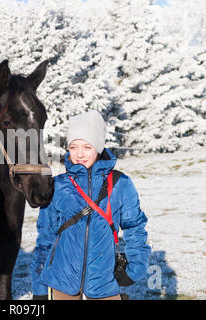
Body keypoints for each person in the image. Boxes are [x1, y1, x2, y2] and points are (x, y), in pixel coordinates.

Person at [31, 110, 151, 300]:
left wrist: (135, 269)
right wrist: (38, 288)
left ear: (99, 147)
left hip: (105, 282)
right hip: (62, 280)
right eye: (73, 147)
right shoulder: (57, 186)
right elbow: (45, 238)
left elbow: (135, 227)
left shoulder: (121, 183)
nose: (79, 154)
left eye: (87, 147)